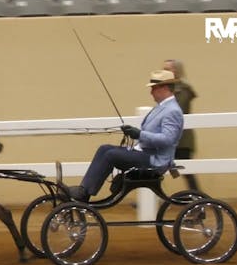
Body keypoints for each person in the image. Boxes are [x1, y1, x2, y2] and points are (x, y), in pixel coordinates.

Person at [67, 70, 184, 203]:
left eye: (153, 88)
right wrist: (132, 132)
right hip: (145, 153)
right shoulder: (162, 107)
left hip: (155, 160)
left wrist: (139, 134)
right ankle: (84, 191)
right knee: (104, 148)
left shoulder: (172, 110)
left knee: (111, 155)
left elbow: (168, 139)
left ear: (165, 88)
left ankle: (85, 193)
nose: (151, 92)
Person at [163, 59, 200, 191]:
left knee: (186, 172)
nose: (164, 71)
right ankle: (149, 198)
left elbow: (177, 110)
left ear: (177, 71)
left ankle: (198, 200)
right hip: (171, 138)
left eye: (168, 69)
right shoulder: (169, 89)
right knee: (160, 167)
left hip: (181, 139)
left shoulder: (183, 90)